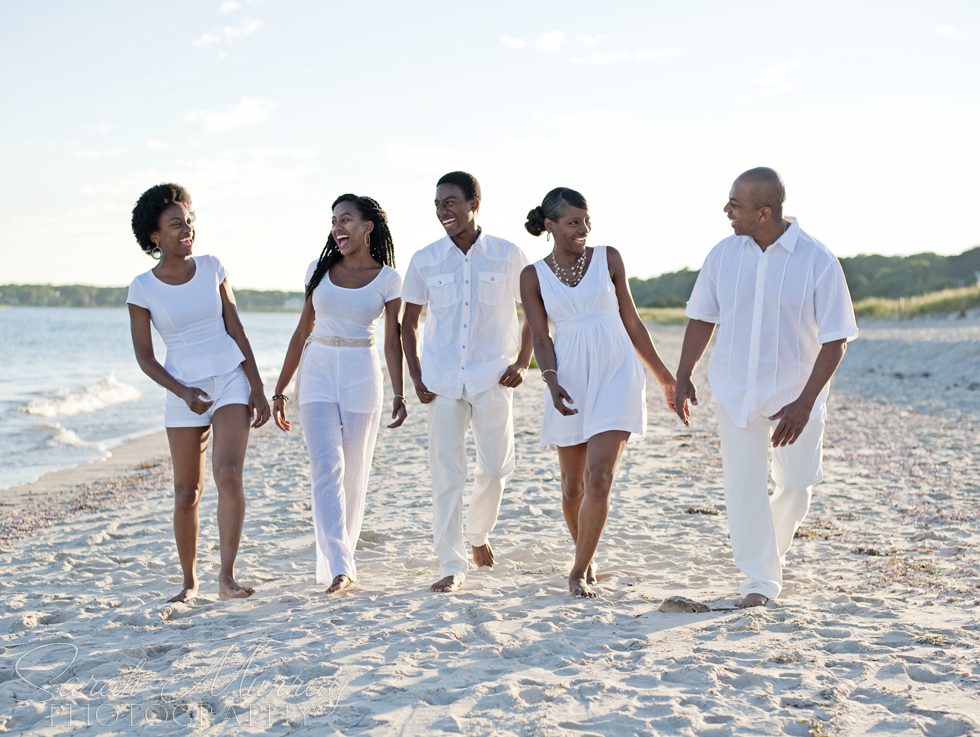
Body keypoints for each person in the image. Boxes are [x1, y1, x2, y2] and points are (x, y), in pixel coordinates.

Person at [674, 167, 858, 608]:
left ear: (764, 212)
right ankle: (760, 580)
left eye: (734, 204)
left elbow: (836, 341)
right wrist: (683, 375)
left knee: (796, 482)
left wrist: (804, 403)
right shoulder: (723, 254)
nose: (726, 211)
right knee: (744, 485)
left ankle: (767, 553)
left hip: (797, 394)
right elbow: (702, 317)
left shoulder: (817, 260)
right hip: (735, 389)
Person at [520, 187, 676, 598]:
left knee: (599, 478)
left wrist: (664, 377)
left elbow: (633, 322)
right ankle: (585, 558)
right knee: (572, 488)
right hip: (569, 377)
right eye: (573, 222)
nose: (583, 229)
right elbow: (540, 335)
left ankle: (577, 571)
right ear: (550, 225)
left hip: (616, 372)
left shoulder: (608, 258)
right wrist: (551, 381)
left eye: (586, 221)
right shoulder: (532, 275)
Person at [127, 182, 270, 603]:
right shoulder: (142, 288)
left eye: (189, 222)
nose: (187, 230)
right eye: (176, 225)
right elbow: (145, 358)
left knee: (227, 474)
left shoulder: (212, 267)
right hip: (181, 387)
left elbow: (235, 327)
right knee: (186, 491)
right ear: (155, 236)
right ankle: (189, 582)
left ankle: (226, 578)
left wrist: (257, 387)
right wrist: (183, 392)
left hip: (229, 377)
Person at [401, 171, 533, 593]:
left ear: (475, 203)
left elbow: (534, 310)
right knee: (446, 474)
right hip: (441, 380)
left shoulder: (508, 255)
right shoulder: (425, 258)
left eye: (452, 202)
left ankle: (477, 533)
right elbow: (408, 323)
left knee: (496, 467)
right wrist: (416, 374)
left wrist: (523, 361)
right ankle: (450, 562)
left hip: (493, 375)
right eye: (438, 203)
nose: (443, 211)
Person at [272, 194, 406, 595]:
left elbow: (392, 341)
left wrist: (400, 393)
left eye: (346, 219)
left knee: (354, 470)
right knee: (326, 468)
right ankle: (340, 566)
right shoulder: (318, 269)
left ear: (368, 226)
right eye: (333, 221)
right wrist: (278, 390)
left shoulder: (388, 279)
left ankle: (341, 557)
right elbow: (301, 332)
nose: (337, 228)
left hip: (361, 374)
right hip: (317, 371)